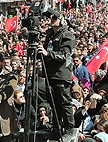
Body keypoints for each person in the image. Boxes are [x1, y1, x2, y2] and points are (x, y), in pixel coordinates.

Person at [37, 9, 76, 141]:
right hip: (49, 75)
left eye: (54, 18)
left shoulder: (67, 35)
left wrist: (48, 54)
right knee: (54, 104)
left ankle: (70, 129)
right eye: (50, 18)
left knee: (65, 103)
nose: (51, 20)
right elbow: (44, 51)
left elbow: (65, 55)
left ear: (61, 20)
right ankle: (56, 128)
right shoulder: (49, 35)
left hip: (61, 75)